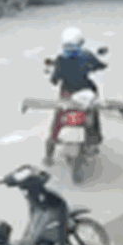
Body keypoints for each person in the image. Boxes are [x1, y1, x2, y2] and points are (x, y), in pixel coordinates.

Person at [43, 27, 107, 166]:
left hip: (67, 94)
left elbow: (54, 80)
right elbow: (101, 65)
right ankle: (94, 140)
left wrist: (54, 74)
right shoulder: (87, 55)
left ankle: (49, 153)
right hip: (86, 92)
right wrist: (99, 65)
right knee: (93, 112)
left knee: (59, 117)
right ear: (80, 42)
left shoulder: (60, 60)